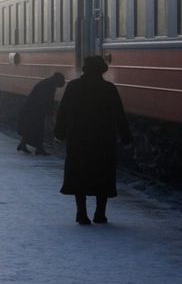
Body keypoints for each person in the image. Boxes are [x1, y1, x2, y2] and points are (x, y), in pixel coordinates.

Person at [54, 56, 132, 225]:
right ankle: (100, 213)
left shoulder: (73, 87)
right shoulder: (108, 88)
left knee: (79, 174)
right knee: (102, 175)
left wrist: (59, 133)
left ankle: (81, 213)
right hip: (102, 139)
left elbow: (63, 111)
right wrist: (125, 137)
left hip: (78, 138)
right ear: (101, 71)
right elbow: (119, 114)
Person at [16, 72, 66, 155]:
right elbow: (45, 100)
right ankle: (38, 148)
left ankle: (24, 144)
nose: (63, 83)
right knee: (38, 129)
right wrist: (49, 111)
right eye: (62, 81)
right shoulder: (48, 85)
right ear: (57, 79)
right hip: (35, 110)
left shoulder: (48, 83)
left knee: (32, 127)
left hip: (34, 109)